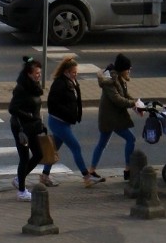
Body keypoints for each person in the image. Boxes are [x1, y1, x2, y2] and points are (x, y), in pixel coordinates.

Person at [41, 54, 103, 188]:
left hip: (65, 122)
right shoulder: (59, 83)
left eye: (76, 72)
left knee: (54, 150)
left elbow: (75, 100)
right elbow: (52, 104)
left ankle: (45, 176)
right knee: (76, 147)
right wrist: (66, 114)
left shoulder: (72, 82)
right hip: (58, 122)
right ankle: (87, 177)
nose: (76, 75)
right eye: (74, 72)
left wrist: (75, 115)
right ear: (66, 72)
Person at [89, 53, 144, 182]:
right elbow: (118, 99)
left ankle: (91, 170)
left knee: (102, 143)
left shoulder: (118, 78)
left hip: (112, 116)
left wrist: (136, 104)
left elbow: (125, 94)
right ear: (122, 69)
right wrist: (133, 103)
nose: (129, 71)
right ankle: (127, 169)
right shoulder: (110, 82)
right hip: (111, 118)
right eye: (128, 69)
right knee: (130, 139)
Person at [8, 54, 45, 201]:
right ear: (29, 74)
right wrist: (29, 116)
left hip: (33, 126)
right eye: (36, 73)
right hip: (21, 128)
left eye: (40, 73)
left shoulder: (34, 87)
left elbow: (35, 107)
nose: (39, 76)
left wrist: (39, 123)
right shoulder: (21, 89)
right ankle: (22, 191)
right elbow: (12, 108)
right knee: (24, 158)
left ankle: (19, 179)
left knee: (38, 154)